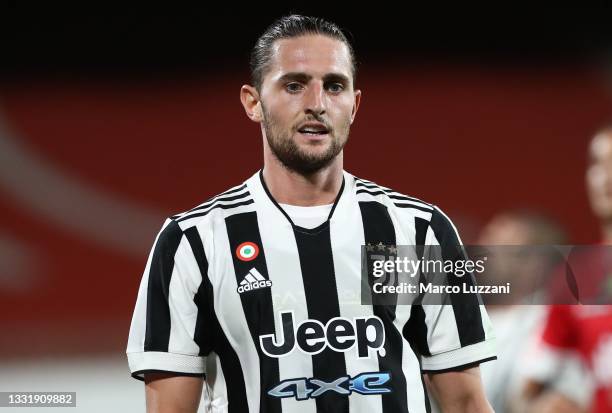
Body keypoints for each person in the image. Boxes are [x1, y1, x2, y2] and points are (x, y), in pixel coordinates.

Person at [126, 15, 496, 413]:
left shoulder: (416, 231)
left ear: (354, 105)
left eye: (334, 86)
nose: (317, 104)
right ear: (253, 103)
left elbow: (466, 403)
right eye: (294, 85)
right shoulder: (194, 242)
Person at [519, 126, 612, 413]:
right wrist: (553, 405)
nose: (606, 176)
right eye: (597, 163)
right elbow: (526, 393)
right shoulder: (576, 277)